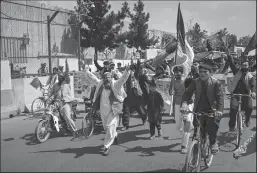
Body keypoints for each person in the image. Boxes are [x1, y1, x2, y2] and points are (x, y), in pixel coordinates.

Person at [84, 66, 131, 156]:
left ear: (111, 78)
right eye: (105, 78)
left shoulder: (115, 84)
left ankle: (106, 146)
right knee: (107, 128)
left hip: (113, 110)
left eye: (109, 77)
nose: (107, 79)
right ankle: (115, 135)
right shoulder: (100, 84)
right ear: (103, 79)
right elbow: (92, 78)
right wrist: (86, 71)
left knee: (110, 127)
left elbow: (123, 79)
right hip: (103, 110)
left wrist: (127, 71)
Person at [180, 59, 224, 155]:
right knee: (197, 134)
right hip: (198, 110)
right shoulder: (195, 82)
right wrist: (184, 103)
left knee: (212, 128)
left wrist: (219, 110)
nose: (202, 74)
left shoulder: (216, 83)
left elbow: (220, 98)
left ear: (210, 73)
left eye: (205, 72)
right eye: (200, 72)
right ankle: (195, 156)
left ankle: (213, 143)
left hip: (212, 110)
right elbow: (187, 93)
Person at [226, 54, 256, 129]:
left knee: (250, 108)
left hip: (246, 95)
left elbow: (253, 85)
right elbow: (232, 63)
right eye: (243, 65)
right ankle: (232, 125)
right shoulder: (236, 71)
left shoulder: (250, 76)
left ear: (248, 66)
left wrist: (253, 92)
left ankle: (247, 119)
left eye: (246, 65)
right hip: (235, 94)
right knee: (233, 109)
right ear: (241, 66)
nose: (244, 67)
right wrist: (228, 55)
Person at [48, 71, 79, 139]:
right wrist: (48, 98)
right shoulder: (55, 85)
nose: (59, 79)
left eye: (61, 77)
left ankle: (75, 131)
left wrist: (66, 67)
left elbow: (67, 77)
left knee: (68, 118)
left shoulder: (67, 83)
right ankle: (49, 125)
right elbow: (51, 93)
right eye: (58, 77)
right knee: (48, 112)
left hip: (65, 103)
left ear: (64, 78)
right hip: (56, 102)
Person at [172, 66, 194, 153]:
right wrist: (172, 89)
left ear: (182, 72)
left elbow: (191, 91)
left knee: (187, 122)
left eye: (178, 72)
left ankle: (184, 145)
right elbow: (170, 91)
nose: (176, 74)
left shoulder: (187, 80)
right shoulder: (173, 80)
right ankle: (188, 130)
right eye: (175, 72)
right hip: (177, 104)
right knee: (178, 126)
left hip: (187, 104)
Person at [121, 63, 148, 131]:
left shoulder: (136, 75)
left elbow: (137, 70)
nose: (131, 70)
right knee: (126, 110)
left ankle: (144, 118)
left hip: (136, 94)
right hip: (127, 94)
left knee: (140, 109)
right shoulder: (125, 75)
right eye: (131, 68)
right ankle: (125, 125)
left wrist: (138, 61)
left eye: (133, 69)